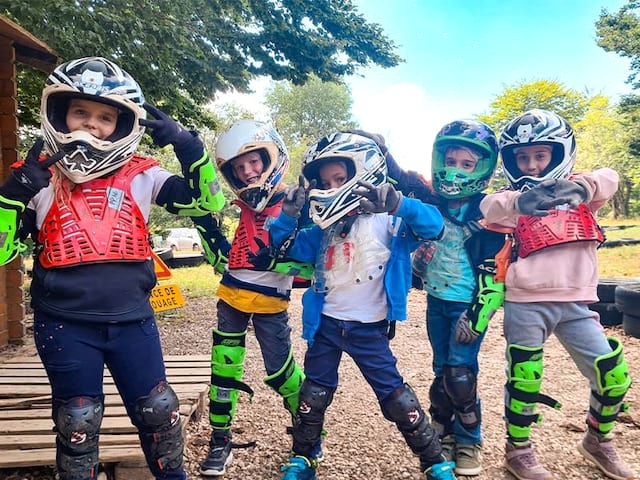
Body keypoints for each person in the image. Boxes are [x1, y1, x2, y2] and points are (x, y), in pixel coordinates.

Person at [0, 56, 225, 480]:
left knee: (160, 414)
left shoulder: (143, 175)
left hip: (132, 321)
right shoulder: (34, 179)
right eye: (79, 111)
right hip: (65, 325)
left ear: (121, 124)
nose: (91, 124)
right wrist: (11, 196)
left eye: (104, 116)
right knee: (77, 421)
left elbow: (209, 202)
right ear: (59, 113)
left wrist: (188, 144)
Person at [268, 132, 457, 480]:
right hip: (326, 325)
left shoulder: (391, 223)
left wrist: (399, 203)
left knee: (398, 398)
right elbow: (285, 247)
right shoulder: (321, 230)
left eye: (339, 179)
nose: (331, 186)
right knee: (313, 395)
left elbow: (435, 225)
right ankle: (304, 456)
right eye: (324, 182)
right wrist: (287, 216)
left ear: (366, 172)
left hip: (368, 328)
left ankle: (433, 459)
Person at [479, 109, 633, 480]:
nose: (531, 164)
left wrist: (584, 187)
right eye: (523, 157)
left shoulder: (582, 191)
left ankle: (598, 440)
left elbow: (610, 178)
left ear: (560, 153)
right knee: (525, 378)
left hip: (576, 304)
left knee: (613, 375)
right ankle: (518, 451)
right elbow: (488, 207)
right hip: (526, 302)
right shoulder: (512, 200)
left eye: (540, 155)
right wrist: (519, 203)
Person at [192, 119, 317, 477]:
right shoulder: (243, 204)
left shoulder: (296, 202)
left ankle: (308, 438)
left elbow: (310, 267)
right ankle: (220, 439)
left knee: (281, 372)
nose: (248, 172)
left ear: (271, 157)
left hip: (270, 303)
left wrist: (278, 258)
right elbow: (222, 242)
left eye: (254, 162)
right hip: (231, 295)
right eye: (239, 167)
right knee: (224, 368)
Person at [410, 120, 508, 476]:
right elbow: (405, 182)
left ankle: (470, 438)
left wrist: (479, 314)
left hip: (469, 304)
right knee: (441, 371)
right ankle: (444, 427)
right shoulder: (434, 202)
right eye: (450, 160)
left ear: (482, 167)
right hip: (437, 300)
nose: (455, 169)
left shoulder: (488, 211)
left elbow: (497, 270)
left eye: (466, 164)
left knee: (460, 373)